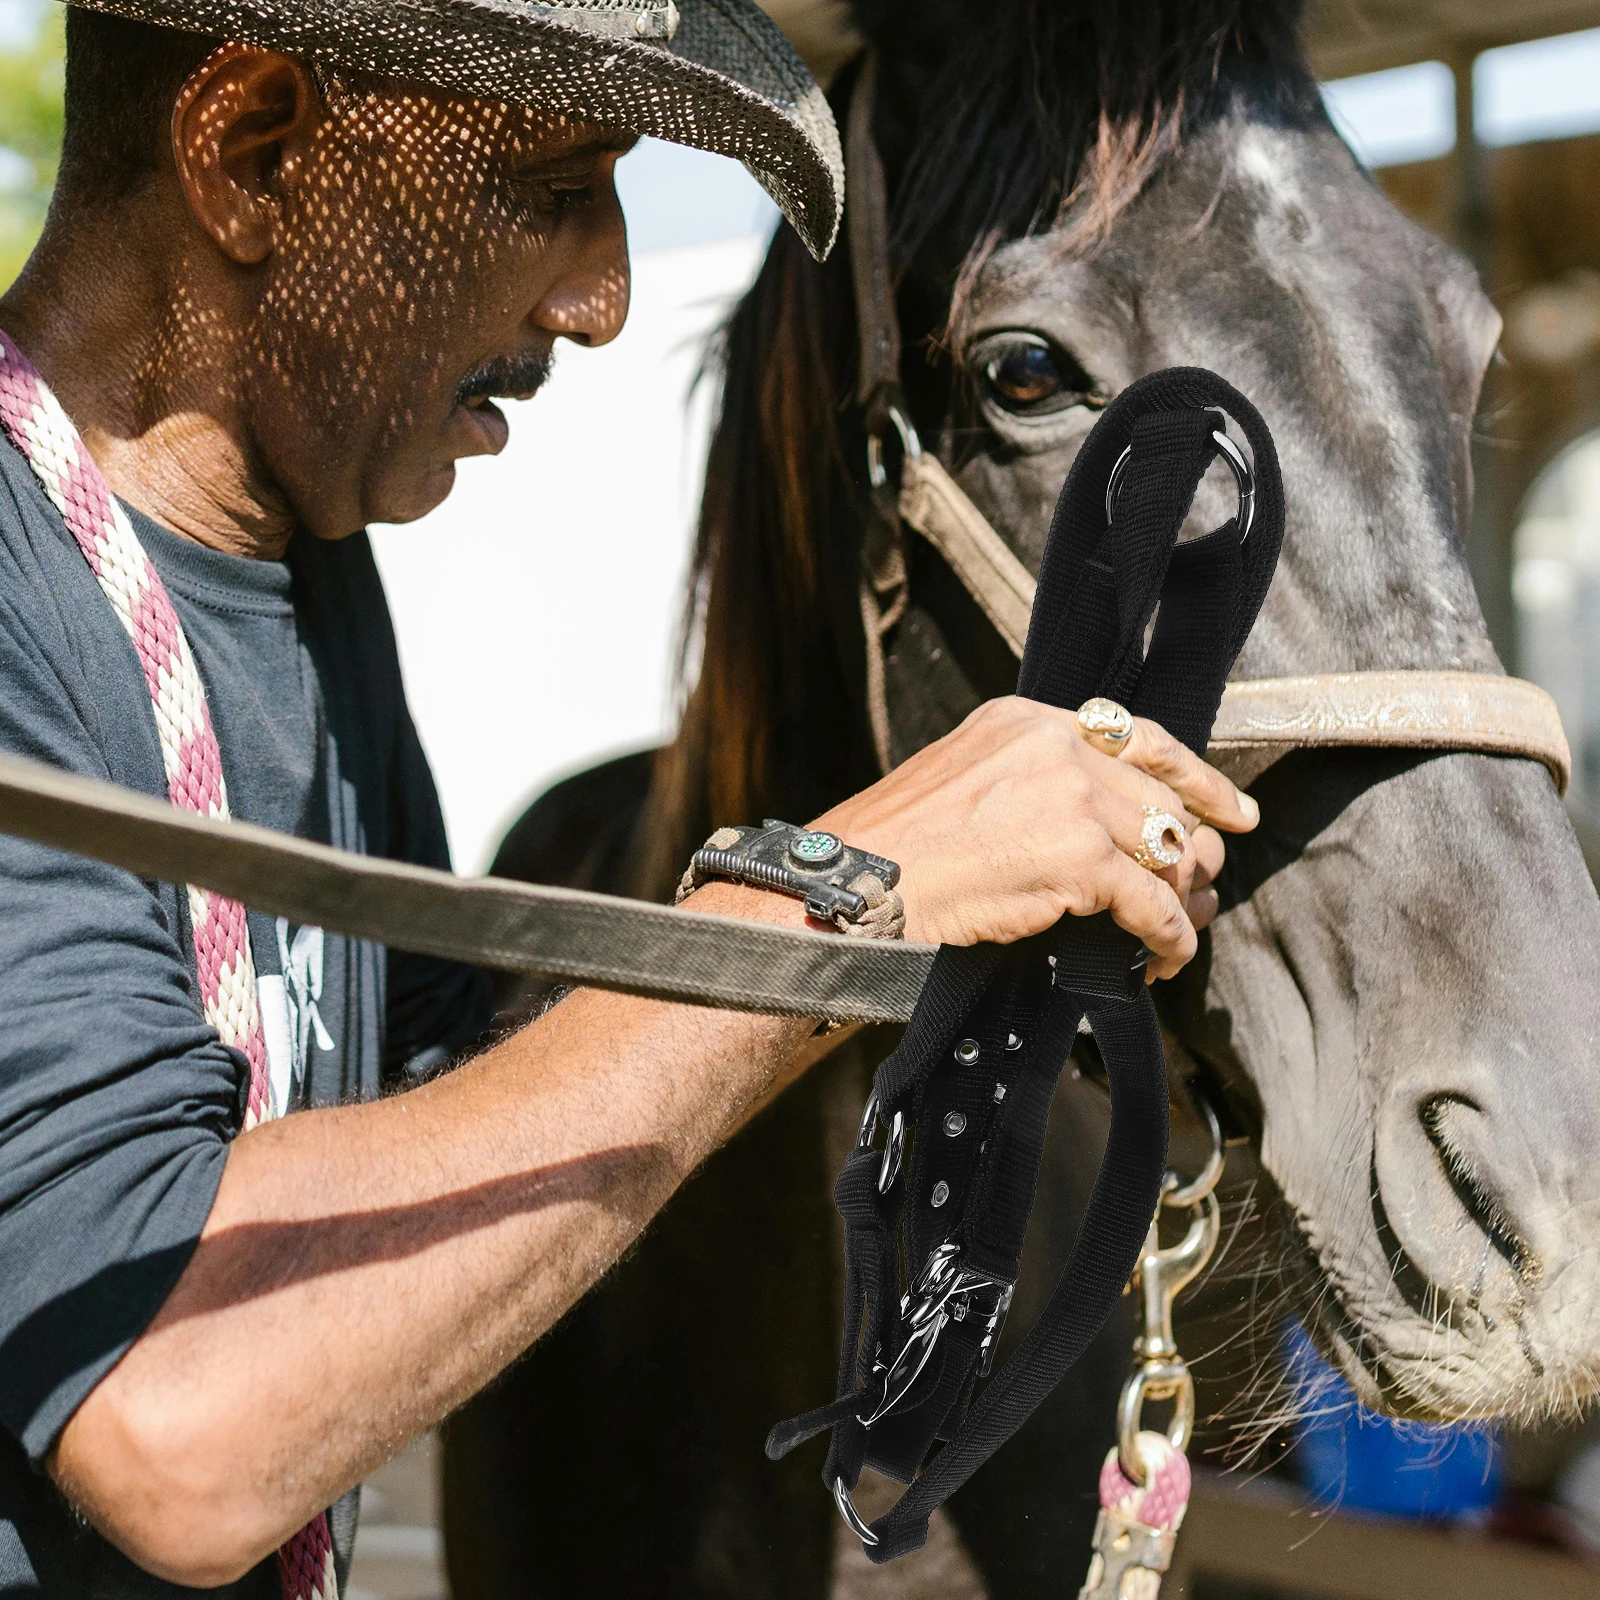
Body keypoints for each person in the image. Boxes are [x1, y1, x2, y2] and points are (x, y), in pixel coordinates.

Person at [0, 1, 1260, 1594]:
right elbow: (176, 1422)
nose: (601, 300)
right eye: (548, 184)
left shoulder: (300, 586)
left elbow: (451, 1098)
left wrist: (919, 962)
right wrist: (841, 890)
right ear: (250, 152)